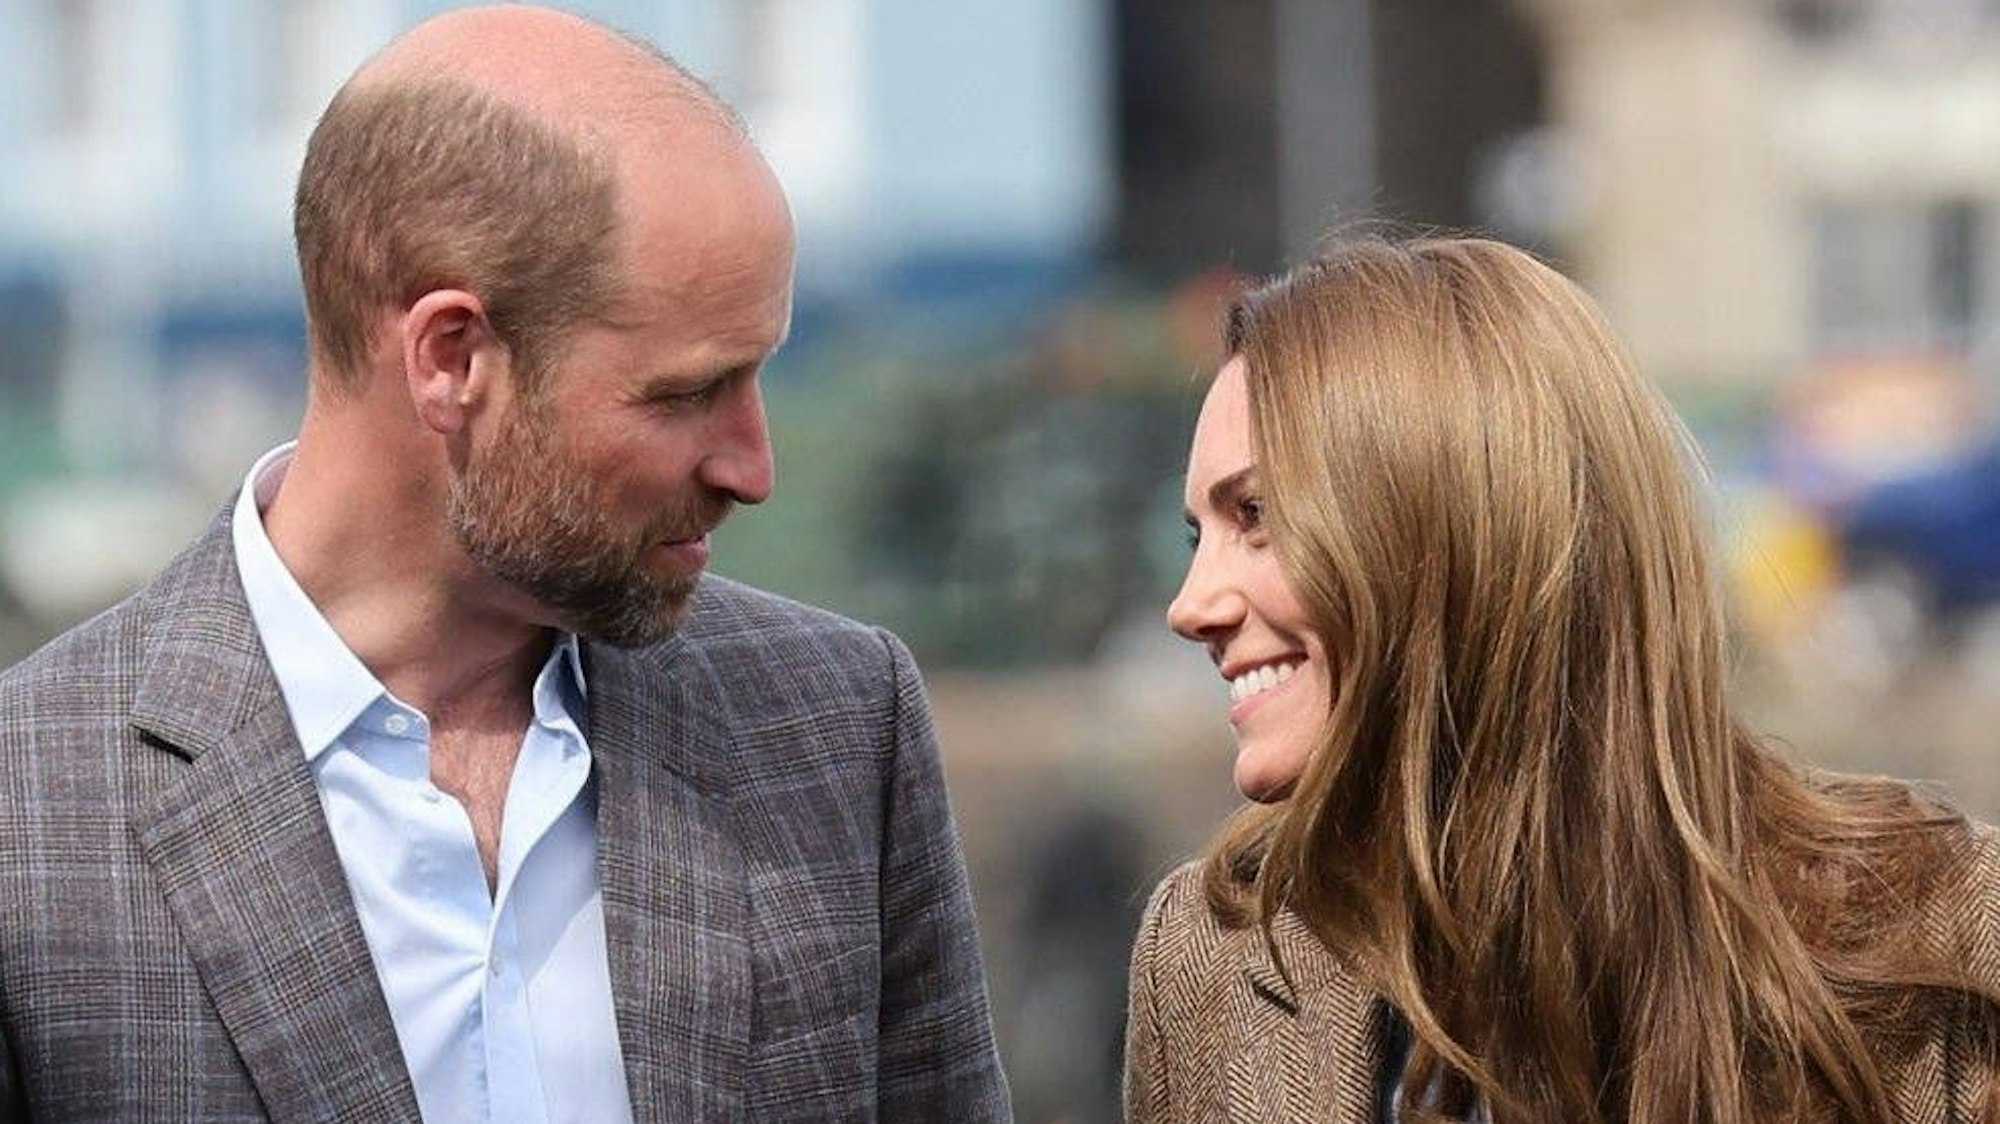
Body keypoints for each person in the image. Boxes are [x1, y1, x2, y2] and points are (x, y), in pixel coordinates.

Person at [0, 7, 1009, 1121]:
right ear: (451, 358)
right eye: (682, 392)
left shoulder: (831, 724)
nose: (751, 465)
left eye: (759, 374)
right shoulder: (32, 809)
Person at [1125, 234, 2000, 1123]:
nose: (1191, 605)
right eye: (1202, 536)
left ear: (1460, 524)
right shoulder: (1216, 959)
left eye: (1259, 515)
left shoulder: (1942, 924)